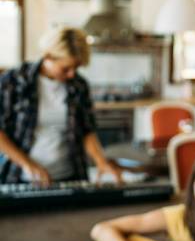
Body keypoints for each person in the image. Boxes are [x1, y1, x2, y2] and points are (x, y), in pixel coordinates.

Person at [0, 27, 122, 185]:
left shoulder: (78, 85)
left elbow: (87, 130)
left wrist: (101, 162)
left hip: (70, 176)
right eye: (66, 69)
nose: (72, 74)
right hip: (21, 178)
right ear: (48, 56)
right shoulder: (13, 81)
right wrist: (28, 165)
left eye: (76, 68)